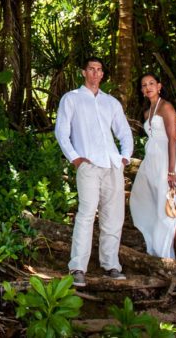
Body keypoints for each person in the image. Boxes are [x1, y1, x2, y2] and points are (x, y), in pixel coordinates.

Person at [54, 57, 134, 286]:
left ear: (102, 74)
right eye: (91, 69)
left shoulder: (111, 102)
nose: (95, 73)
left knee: (114, 217)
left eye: (99, 70)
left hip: (112, 165)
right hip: (88, 165)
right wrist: (76, 158)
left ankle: (111, 265)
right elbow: (61, 131)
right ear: (84, 72)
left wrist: (125, 157)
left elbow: (124, 132)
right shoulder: (72, 99)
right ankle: (78, 267)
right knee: (86, 215)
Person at [129, 72, 176, 260]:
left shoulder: (166, 107)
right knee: (168, 213)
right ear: (141, 91)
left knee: (170, 214)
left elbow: (172, 139)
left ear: (159, 86)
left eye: (151, 83)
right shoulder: (147, 112)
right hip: (153, 162)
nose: (148, 87)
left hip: (168, 161)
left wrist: (171, 170)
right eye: (144, 85)